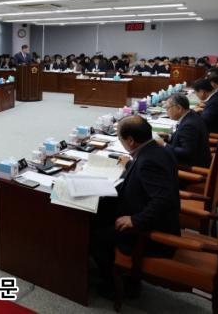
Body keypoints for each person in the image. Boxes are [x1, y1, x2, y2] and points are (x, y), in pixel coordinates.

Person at [90, 116, 179, 295]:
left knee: (96, 236)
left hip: (149, 232)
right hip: (146, 211)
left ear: (130, 140)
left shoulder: (148, 161)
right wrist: (131, 163)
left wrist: (135, 220)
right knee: (100, 214)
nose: (120, 141)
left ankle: (118, 286)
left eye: (120, 138)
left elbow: (163, 200)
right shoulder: (157, 150)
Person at [158, 94, 211, 169]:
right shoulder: (191, 114)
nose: (166, 111)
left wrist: (164, 145)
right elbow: (184, 139)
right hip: (198, 157)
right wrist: (168, 137)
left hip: (191, 166)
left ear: (179, 108)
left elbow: (186, 152)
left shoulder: (188, 125)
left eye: (167, 108)